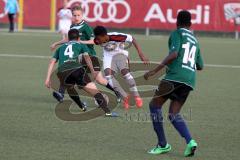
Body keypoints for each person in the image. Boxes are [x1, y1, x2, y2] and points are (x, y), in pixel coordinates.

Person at [144, 10, 204, 157]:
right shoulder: (195, 40)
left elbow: (174, 54)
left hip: (174, 77)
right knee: (173, 114)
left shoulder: (177, 33)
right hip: (189, 81)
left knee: (154, 105)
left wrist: (154, 71)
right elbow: (200, 65)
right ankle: (190, 142)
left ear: (177, 22)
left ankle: (162, 144)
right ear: (190, 24)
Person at [50, 5, 121, 103]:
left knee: (99, 79)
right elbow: (68, 39)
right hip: (78, 58)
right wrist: (56, 43)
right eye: (74, 15)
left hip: (90, 56)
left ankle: (117, 92)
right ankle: (61, 94)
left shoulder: (86, 27)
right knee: (72, 74)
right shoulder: (72, 26)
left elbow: (94, 41)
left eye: (78, 15)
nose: (76, 17)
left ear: (82, 15)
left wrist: (81, 42)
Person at [45, 29, 116, 117]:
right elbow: (87, 58)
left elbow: (51, 62)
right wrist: (93, 71)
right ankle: (107, 112)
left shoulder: (61, 48)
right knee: (94, 91)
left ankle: (78, 104)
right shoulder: (80, 45)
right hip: (76, 70)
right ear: (78, 38)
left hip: (62, 73)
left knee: (70, 89)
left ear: (68, 38)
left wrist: (47, 79)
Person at [91, 26, 149, 109]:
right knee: (108, 76)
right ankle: (125, 97)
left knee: (124, 72)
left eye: (99, 39)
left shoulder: (116, 36)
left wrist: (140, 53)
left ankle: (137, 96)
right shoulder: (97, 40)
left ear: (104, 35)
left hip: (120, 54)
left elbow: (132, 39)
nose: (98, 41)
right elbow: (93, 41)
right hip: (108, 57)